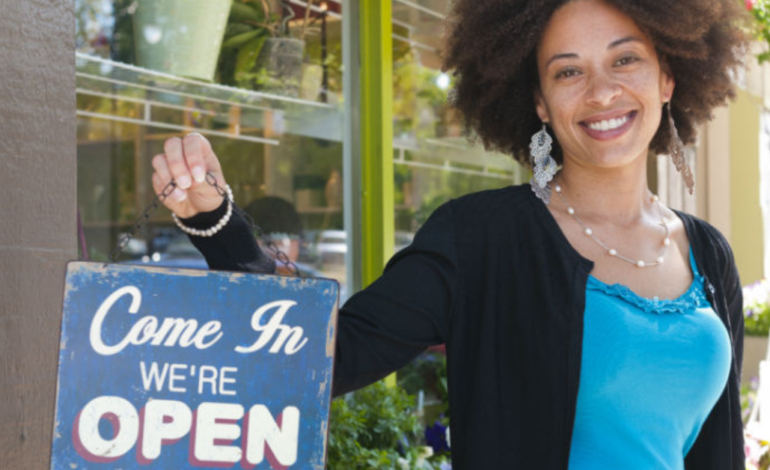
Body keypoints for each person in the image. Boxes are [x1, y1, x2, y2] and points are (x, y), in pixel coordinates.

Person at [149, 0, 749, 468]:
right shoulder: (482, 238)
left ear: (667, 77)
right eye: (569, 71)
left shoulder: (707, 252)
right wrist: (216, 223)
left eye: (625, 60)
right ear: (540, 102)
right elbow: (331, 353)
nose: (601, 92)